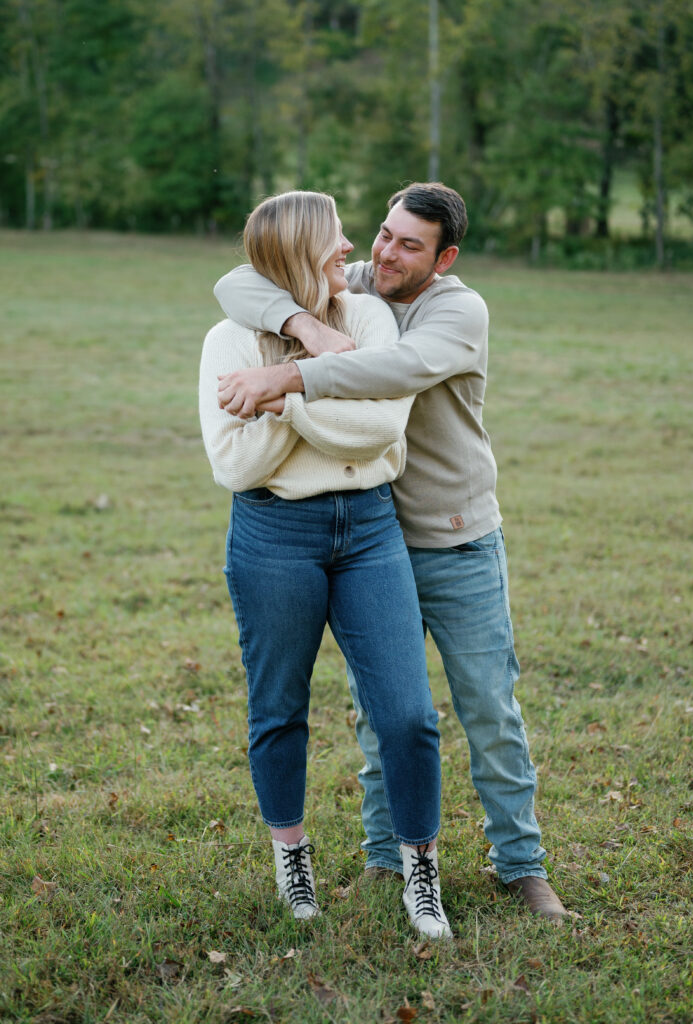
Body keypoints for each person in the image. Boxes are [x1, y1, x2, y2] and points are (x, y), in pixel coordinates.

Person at [212, 182, 570, 924]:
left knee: (486, 710)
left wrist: (286, 373)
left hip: (455, 536)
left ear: (444, 257)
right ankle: (385, 859)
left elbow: (391, 373)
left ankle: (521, 866)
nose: (384, 253)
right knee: (384, 717)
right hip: (374, 537)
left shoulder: (455, 310)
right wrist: (301, 325)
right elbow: (237, 279)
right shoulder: (362, 287)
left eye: (409, 244)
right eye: (382, 234)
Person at [199, 190, 452, 938]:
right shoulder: (228, 339)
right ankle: (292, 857)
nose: (350, 250)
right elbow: (234, 465)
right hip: (273, 532)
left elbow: (378, 430)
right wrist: (312, 399)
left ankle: (421, 872)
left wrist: (284, 398)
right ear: (298, 252)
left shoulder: (370, 319)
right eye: (335, 240)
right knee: (278, 707)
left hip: (370, 529)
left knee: (408, 714)